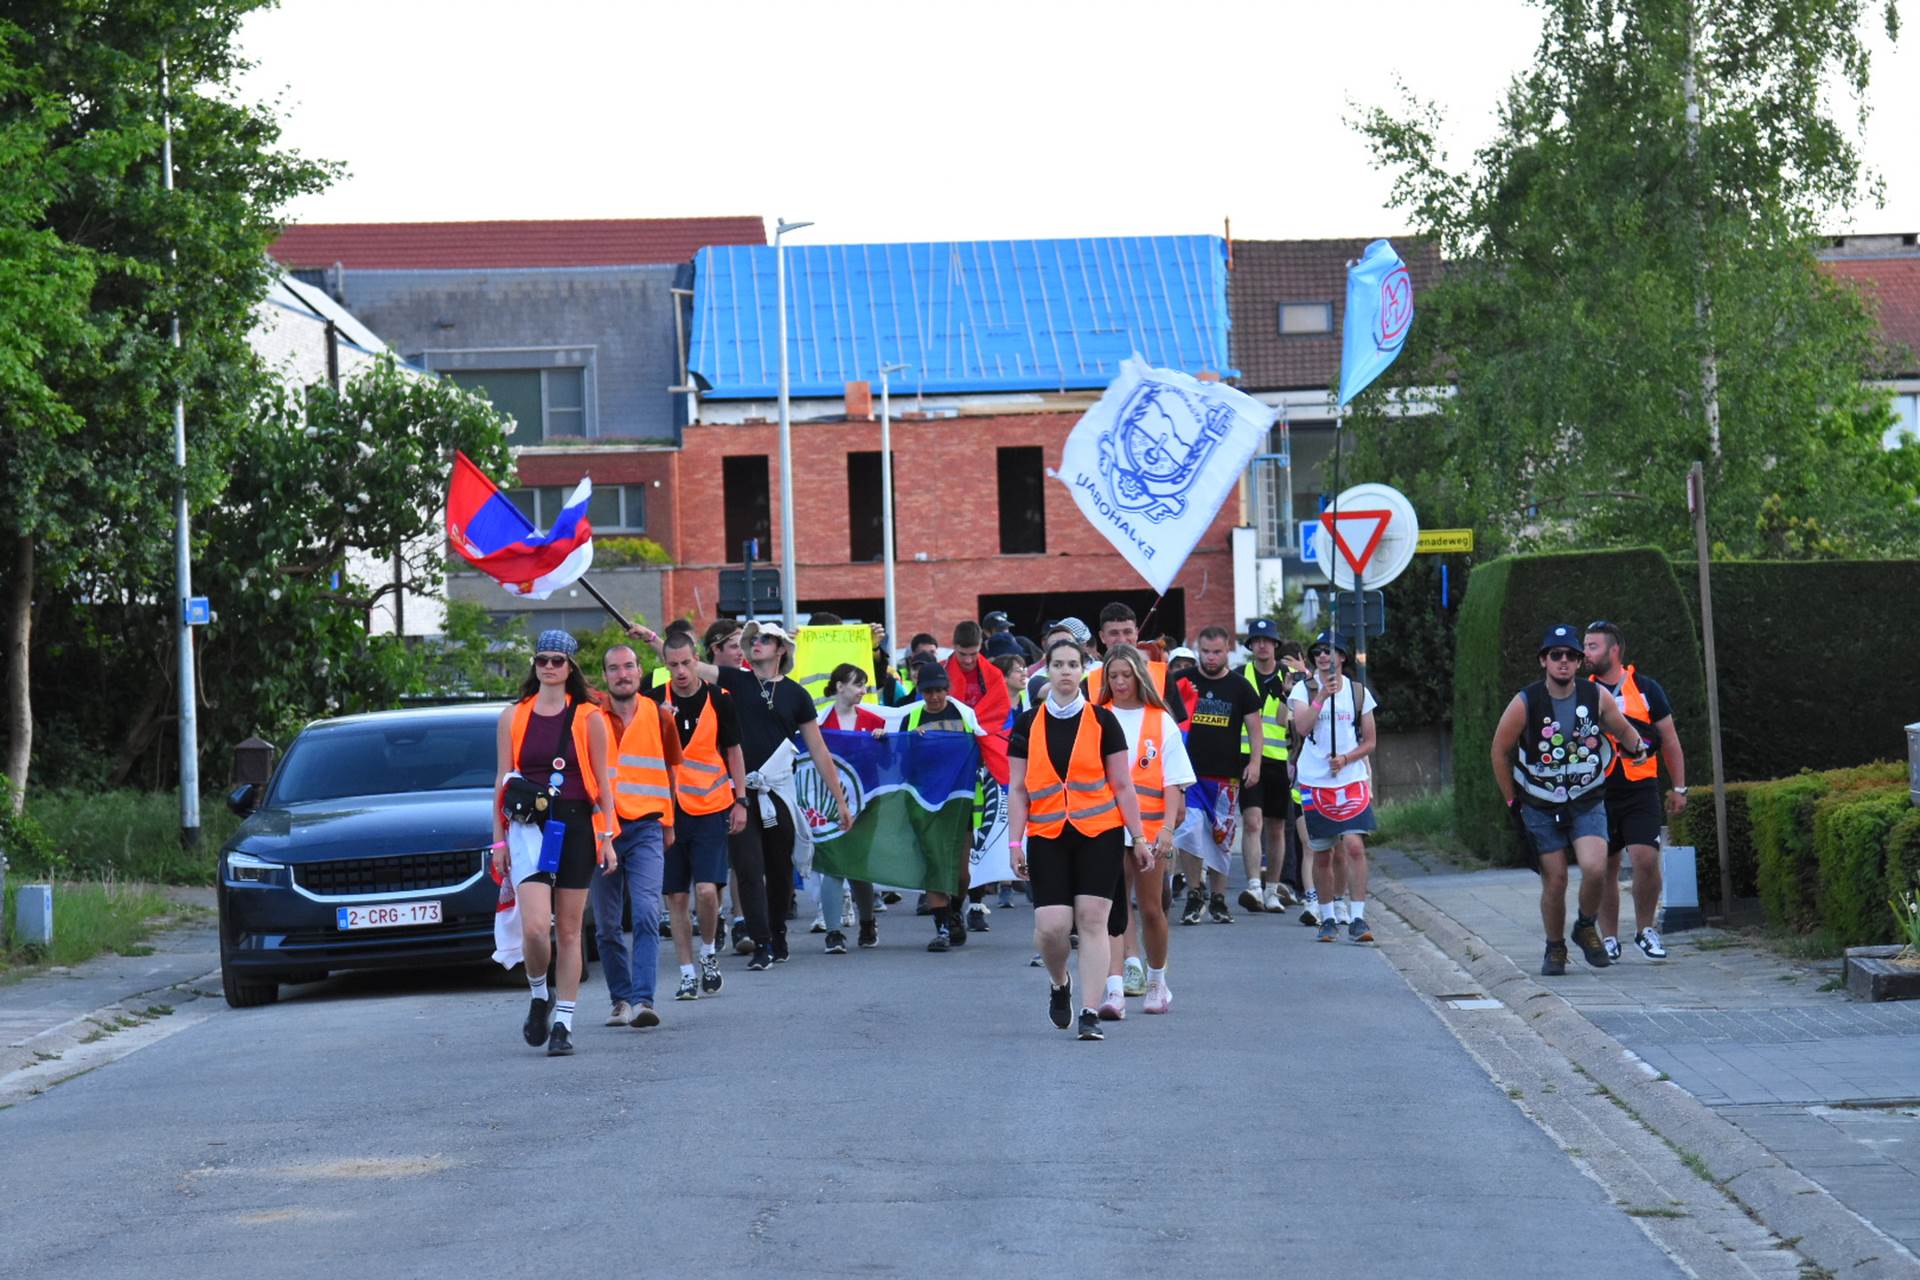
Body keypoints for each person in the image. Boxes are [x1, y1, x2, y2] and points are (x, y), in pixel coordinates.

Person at [1008, 638, 1151, 1041]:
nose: (1066, 672)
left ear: (1084, 670)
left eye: (1074, 664)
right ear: (1047, 671)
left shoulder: (1103, 722)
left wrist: (1138, 837)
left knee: (1092, 919)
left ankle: (1089, 1010)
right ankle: (1060, 984)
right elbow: (1017, 789)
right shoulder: (1026, 724)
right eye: (1059, 665)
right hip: (1048, 834)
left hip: (1099, 832)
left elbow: (1123, 785)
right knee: (1052, 927)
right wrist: (1014, 843)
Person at [1491, 624, 1652, 976]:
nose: (1563, 662)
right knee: (1556, 879)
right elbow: (1499, 751)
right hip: (1540, 802)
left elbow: (1622, 728)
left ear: (1579, 662)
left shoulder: (1595, 696)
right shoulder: (1525, 702)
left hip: (1586, 797)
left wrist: (1636, 746)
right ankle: (1555, 947)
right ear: (1544, 661)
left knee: (1595, 868)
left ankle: (1584, 926)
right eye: (1555, 655)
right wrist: (1511, 802)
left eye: (1571, 656)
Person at [491, 630, 621, 1056]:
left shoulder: (589, 716)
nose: (549, 667)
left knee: (568, 930)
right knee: (533, 928)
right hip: (527, 827)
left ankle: (564, 1023)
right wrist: (498, 842)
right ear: (535, 664)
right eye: (542, 659)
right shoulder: (514, 715)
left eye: (557, 660)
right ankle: (537, 993)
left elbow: (603, 783)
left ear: (571, 667)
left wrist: (607, 836)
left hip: (575, 825)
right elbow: (502, 779)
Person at [701, 622, 853, 970]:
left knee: (779, 870)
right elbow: (687, 664)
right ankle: (762, 943)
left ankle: (778, 931)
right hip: (740, 793)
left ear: (781, 648)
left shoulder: (796, 695)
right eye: (753, 639)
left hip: (780, 793)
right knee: (749, 868)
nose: (755, 643)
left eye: (765, 639)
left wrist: (841, 802)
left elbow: (818, 750)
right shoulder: (735, 680)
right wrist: (652, 639)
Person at [650, 631, 747, 1000]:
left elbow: (734, 751)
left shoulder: (720, 700)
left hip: (711, 806)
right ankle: (688, 973)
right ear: (665, 665)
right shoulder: (654, 702)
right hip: (668, 810)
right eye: (672, 664)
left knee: (707, 891)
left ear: (698, 660)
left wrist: (741, 800)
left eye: (686, 663)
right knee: (675, 898)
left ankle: (708, 951)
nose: (680, 671)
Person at [591, 642, 683, 1029]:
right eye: (614, 669)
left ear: (640, 670)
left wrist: (670, 822)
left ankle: (643, 1000)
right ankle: (620, 1000)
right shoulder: (590, 716)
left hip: (647, 824)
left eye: (629, 667)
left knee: (647, 912)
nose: (623, 674)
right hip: (602, 829)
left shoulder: (660, 716)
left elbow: (672, 769)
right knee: (608, 924)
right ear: (605, 675)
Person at [1096, 644, 1191, 1016]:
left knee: (1152, 909)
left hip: (1151, 830)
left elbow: (1174, 781)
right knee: (1111, 910)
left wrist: (1168, 828)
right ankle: (1114, 989)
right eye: (1113, 676)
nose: (1119, 682)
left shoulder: (1159, 719)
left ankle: (1158, 982)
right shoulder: (1097, 716)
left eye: (1126, 675)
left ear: (1139, 676)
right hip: (1106, 825)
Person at [1584, 620, 1687, 961]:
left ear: (1614, 650)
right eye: (1585, 646)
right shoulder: (1581, 692)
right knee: (1604, 867)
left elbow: (1670, 741)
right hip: (1597, 792)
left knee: (1645, 859)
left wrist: (1679, 787)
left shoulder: (1646, 689)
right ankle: (1609, 937)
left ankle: (1646, 930)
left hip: (1640, 787)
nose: (1585, 653)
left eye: (1593, 646)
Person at [895, 661, 994, 951]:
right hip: (925, 803)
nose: (935, 697)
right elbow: (900, 761)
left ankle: (955, 909)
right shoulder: (911, 719)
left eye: (939, 690)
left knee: (962, 874)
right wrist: (913, 744)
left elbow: (984, 754)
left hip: (960, 802)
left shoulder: (965, 715)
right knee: (936, 866)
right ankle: (941, 930)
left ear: (947, 690)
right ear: (920, 691)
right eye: (928, 691)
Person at [1289, 632, 1380, 943]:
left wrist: (1346, 758)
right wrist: (1320, 698)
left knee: (1354, 846)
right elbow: (1302, 727)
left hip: (1351, 779)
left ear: (1342, 657)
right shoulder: (1304, 690)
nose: (1323, 657)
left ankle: (1357, 916)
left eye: (1330, 652)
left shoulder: (1358, 693)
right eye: (1318, 652)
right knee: (1323, 854)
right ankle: (1327, 917)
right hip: (1315, 782)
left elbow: (1369, 741)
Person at [1172, 626, 1263, 925]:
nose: (1211, 658)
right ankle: (1195, 893)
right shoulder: (1181, 681)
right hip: (1189, 775)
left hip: (1226, 776)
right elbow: (1162, 718)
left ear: (1228, 651)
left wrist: (1255, 762)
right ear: (1198, 650)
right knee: (1188, 831)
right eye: (1206, 652)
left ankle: (1219, 898)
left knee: (1221, 838)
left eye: (1217, 652)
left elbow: (1255, 729)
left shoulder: (1240, 687)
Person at [816, 662, 885, 952]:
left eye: (865, 685)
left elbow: (885, 766)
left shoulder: (873, 721)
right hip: (828, 803)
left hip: (866, 803)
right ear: (839, 686)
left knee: (858, 866)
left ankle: (867, 922)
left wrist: (883, 744)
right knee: (833, 864)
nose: (862, 690)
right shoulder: (818, 723)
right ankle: (834, 933)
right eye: (857, 684)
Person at [1236, 619, 1297, 914]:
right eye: (1256, 640)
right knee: (1252, 822)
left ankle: (1272, 889)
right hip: (1246, 757)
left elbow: (1291, 722)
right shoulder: (1240, 676)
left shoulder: (1289, 677)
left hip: (1279, 761)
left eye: (1267, 640)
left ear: (1275, 645)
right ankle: (1254, 887)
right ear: (1250, 645)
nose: (1261, 644)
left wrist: (1287, 694)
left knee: (1276, 827)